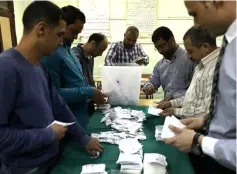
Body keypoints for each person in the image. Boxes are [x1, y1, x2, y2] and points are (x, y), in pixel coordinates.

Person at [0, 2, 102, 174]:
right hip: (27, 168)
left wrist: (83, 137)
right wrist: (47, 135)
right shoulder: (6, 69)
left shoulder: (39, 66)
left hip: (53, 158)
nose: (62, 41)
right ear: (41, 30)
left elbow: (59, 106)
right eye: (59, 35)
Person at [165, 1, 236, 174]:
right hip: (217, 153)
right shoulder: (230, 43)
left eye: (194, 14)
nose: (196, 24)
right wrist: (206, 118)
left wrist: (199, 140)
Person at [41, 6, 106, 130]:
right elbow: (53, 94)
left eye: (78, 33)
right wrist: (89, 92)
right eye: (74, 31)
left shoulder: (69, 51)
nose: (76, 37)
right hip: (66, 124)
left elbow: (76, 83)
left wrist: (92, 91)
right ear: (62, 25)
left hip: (81, 120)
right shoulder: (52, 53)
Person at [158, 27, 220, 117]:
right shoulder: (201, 65)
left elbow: (208, 111)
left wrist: (176, 111)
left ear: (205, 47)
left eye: (190, 51)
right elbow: (192, 98)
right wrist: (171, 103)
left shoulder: (216, 69)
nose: (188, 56)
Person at [143, 26, 196, 101]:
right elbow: (152, 82)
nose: (160, 51)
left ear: (171, 40)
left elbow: (196, 90)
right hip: (166, 108)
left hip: (185, 108)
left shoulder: (190, 59)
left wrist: (174, 97)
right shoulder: (160, 65)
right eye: (157, 48)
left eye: (161, 46)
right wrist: (149, 86)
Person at [72, 33, 108, 116]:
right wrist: (93, 93)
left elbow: (90, 80)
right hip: (79, 107)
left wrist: (99, 93)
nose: (100, 54)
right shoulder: (75, 57)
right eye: (100, 50)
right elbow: (78, 86)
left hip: (89, 104)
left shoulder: (90, 58)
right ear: (93, 44)